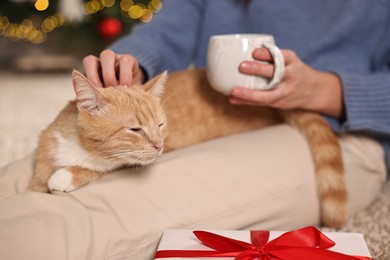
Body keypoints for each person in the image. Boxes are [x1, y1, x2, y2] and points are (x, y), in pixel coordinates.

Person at [0, 1, 388, 259]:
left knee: (88, 215)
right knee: (25, 175)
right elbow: (173, 22)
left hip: (340, 128)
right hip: (221, 107)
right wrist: (134, 67)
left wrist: (328, 90)